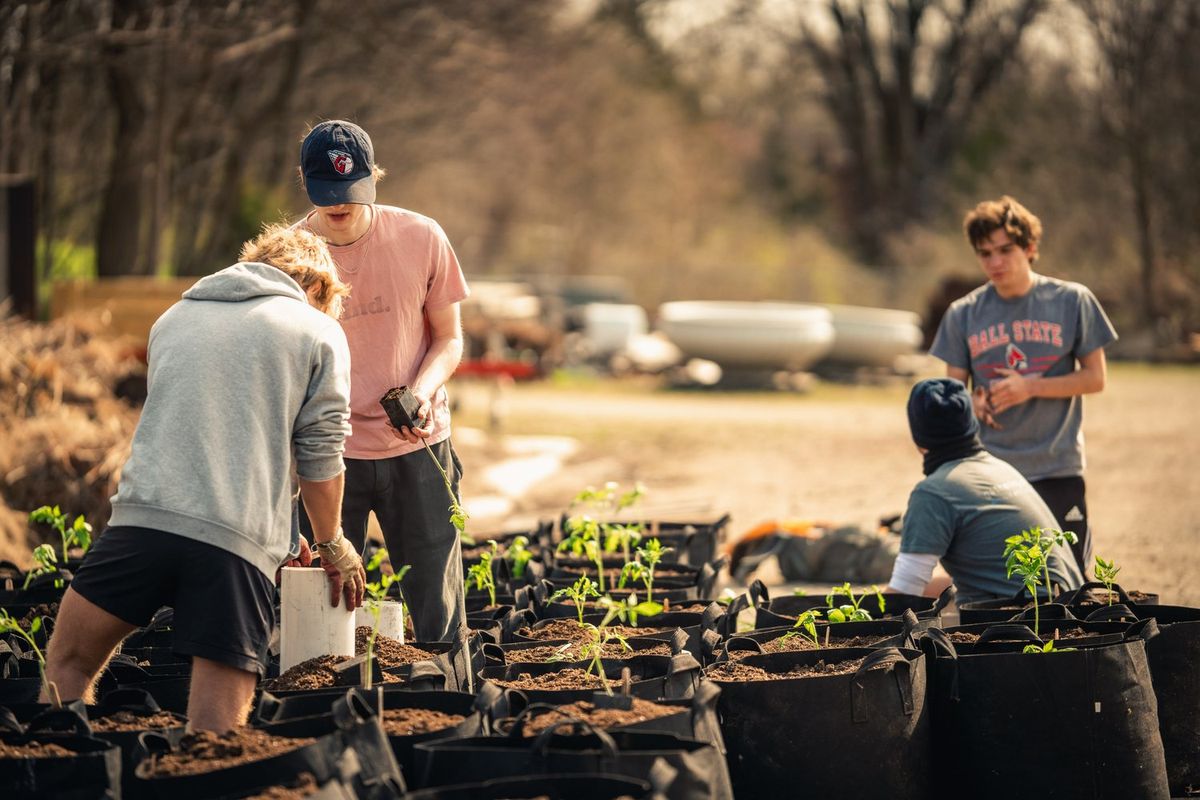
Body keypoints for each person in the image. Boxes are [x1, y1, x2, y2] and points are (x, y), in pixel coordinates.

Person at [42, 226, 366, 732]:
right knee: (214, 731)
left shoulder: (174, 317)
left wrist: (284, 533)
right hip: (231, 548)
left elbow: (204, 434)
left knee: (68, 660)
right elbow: (320, 458)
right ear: (319, 288)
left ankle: (55, 770)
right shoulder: (316, 331)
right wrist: (332, 545)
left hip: (140, 524)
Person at [295, 119, 470, 643]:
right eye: (326, 193)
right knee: (321, 609)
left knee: (436, 604)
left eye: (350, 192)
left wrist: (420, 391)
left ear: (374, 179)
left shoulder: (421, 237)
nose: (338, 205)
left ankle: (445, 700)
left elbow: (450, 339)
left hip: (417, 445)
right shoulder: (290, 257)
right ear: (304, 183)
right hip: (327, 453)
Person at [929, 196, 1117, 576]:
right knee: (999, 581)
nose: (994, 262)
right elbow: (954, 393)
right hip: (991, 469)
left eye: (1005, 250)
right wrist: (973, 404)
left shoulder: (1071, 300)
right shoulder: (963, 313)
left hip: (1055, 465)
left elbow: (1096, 378)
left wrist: (1030, 387)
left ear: (1030, 248)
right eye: (984, 254)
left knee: (1069, 583)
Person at [888, 378, 1082, 604]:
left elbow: (902, 595)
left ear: (919, 437)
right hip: (1073, 609)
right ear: (971, 425)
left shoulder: (934, 493)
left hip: (1028, 625)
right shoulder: (998, 467)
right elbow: (965, 582)